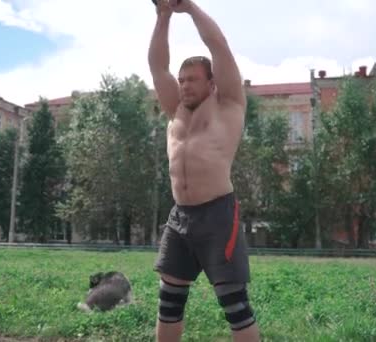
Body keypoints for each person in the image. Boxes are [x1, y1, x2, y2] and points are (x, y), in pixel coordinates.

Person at [147, 1, 260, 341]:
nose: (184, 85)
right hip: (180, 217)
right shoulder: (176, 110)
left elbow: (218, 46)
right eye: (182, 80)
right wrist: (164, 15)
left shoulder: (228, 106)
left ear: (212, 83)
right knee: (169, 302)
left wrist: (188, 7)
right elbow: (157, 67)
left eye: (193, 79)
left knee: (235, 306)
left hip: (217, 215)